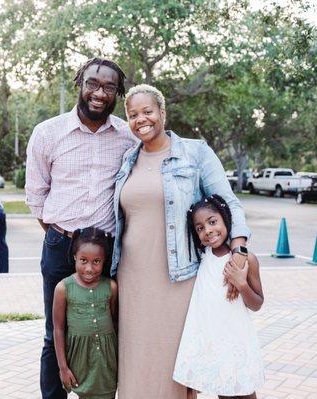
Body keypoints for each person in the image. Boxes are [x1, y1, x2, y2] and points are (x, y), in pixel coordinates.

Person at [111, 84, 251, 398]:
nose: (141, 119)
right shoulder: (127, 160)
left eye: (148, 111)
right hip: (132, 277)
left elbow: (230, 203)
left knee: (177, 361)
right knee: (136, 357)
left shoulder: (195, 151)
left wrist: (239, 252)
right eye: (133, 115)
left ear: (162, 112)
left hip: (179, 277)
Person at [25, 57, 136, 399]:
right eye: (92, 83)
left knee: (110, 329)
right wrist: (64, 238)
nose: (99, 93)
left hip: (111, 250)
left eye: (109, 87)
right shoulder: (47, 133)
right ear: (79, 83)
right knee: (53, 332)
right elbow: (36, 195)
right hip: (61, 245)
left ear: (117, 93)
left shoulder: (128, 137)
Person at [173, 194, 265, 398]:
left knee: (245, 391)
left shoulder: (246, 260)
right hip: (214, 340)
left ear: (226, 220)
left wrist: (241, 284)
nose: (208, 231)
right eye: (200, 228)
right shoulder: (202, 257)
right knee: (224, 391)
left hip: (237, 340)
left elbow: (257, 303)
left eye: (212, 222)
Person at [52, 227, 118, 399]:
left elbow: (115, 322)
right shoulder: (63, 288)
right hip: (80, 361)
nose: (89, 268)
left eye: (96, 261)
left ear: (104, 261)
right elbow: (58, 329)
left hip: (107, 361)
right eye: (83, 260)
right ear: (74, 256)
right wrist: (63, 368)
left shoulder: (111, 287)